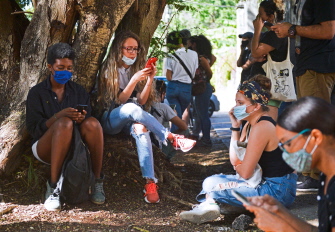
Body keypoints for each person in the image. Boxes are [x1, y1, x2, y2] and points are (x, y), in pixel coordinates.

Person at [179, 75, 296, 224]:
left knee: (213, 189)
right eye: (236, 102)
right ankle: (216, 205)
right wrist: (235, 126)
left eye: (240, 103)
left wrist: (241, 167)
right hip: (260, 182)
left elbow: (245, 172)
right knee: (209, 182)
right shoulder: (249, 124)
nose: (235, 107)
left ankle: (211, 205)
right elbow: (235, 161)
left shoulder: (262, 127)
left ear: (257, 106)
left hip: (277, 191)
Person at [98, 31, 196, 204]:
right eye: (128, 49)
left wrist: (149, 79)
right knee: (129, 107)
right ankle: (169, 136)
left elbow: (142, 100)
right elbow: (119, 100)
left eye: (135, 49)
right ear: (119, 49)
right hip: (110, 120)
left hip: (130, 119)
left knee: (141, 128)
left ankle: (150, 183)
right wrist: (134, 80)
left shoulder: (135, 70)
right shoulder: (109, 70)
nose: (133, 53)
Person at [26, 43, 105, 211]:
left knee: (93, 123)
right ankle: (53, 187)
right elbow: (33, 129)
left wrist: (81, 118)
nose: (65, 72)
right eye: (60, 67)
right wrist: (58, 117)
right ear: (50, 67)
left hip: (73, 146)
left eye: (69, 68)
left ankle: (97, 181)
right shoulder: (37, 93)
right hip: (44, 146)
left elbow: (87, 119)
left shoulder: (78, 91)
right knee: (63, 123)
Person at [245, 96, 335, 232]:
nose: (285, 153)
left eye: (288, 143)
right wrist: (284, 216)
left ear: (315, 137)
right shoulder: (326, 176)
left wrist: (285, 228)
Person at [271, 0, 335, 192]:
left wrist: (292, 30)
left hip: (317, 67)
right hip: (310, 64)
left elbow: (328, 30)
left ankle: (316, 175)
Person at [251, 0, 289, 121]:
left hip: (269, 85)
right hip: (264, 85)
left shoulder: (276, 34)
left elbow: (255, 52)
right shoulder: (269, 33)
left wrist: (257, 29)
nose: (258, 17)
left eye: (260, 14)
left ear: (271, 16)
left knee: (268, 121)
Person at [165, 31, 199, 132]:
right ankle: (179, 140)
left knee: (176, 115)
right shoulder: (194, 54)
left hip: (173, 87)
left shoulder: (171, 55)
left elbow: (169, 77)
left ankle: (175, 141)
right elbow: (195, 71)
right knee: (178, 116)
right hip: (186, 88)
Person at [150, 80, 188, 160]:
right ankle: (166, 160)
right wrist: (175, 115)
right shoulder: (162, 106)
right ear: (163, 94)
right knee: (185, 131)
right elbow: (184, 127)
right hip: (158, 147)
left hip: (143, 145)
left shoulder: (141, 105)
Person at [187, 35, 214, 147]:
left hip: (202, 87)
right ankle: (202, 137)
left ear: (194, 44)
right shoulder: (201, 57)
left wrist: (205, 80)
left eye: (189, 43)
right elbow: (213, 58)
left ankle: (207, 139)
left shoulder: (201, 58)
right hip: (201, 87)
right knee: (199, 114)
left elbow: (209, 73)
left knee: (203, 114)